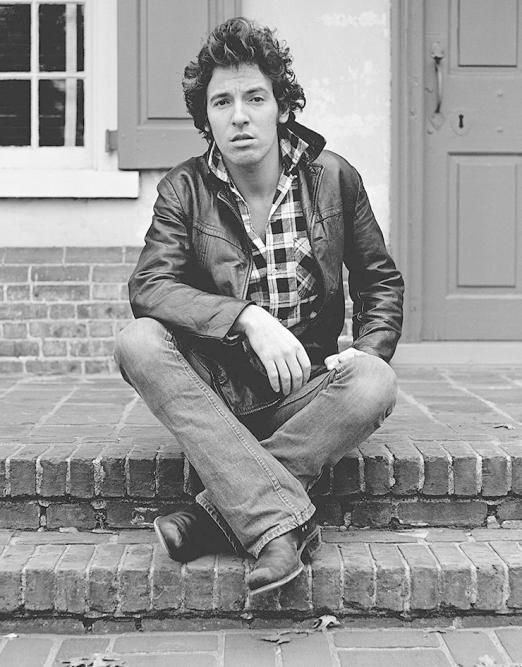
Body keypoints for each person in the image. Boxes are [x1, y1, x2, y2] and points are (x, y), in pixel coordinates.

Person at [114, 17, 404, 597]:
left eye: (254, 98)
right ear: (207, 118)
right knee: (136, 341)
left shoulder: (334, 178)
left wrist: (366, 350)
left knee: (375, 380)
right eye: (222, 102)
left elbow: (380, 281)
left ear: (281, 107)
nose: (239, 115)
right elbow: (150, 285)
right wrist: (245, 318)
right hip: (214, 397)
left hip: (304, 396)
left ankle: (213, 515)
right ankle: (278, 523)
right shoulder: (183, 189)